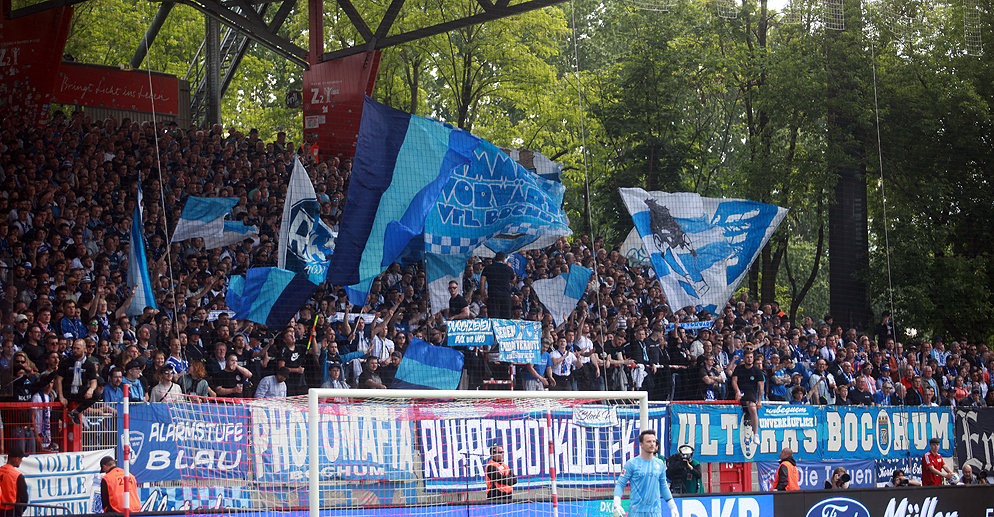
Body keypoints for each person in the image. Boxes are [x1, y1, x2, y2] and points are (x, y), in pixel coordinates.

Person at [613, 430, 679, 517]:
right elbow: (620, 484)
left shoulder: (660, 463)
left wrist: (673, 506)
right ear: (641, 444)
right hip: (636, 512)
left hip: (655, 512)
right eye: (648, 441)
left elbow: (663, 485)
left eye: (654, 441)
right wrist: (616, 504)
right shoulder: (632, 463)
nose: (652, 444)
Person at [731, 349, 764, 445]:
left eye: (751, 357)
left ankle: (756, 434)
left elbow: (761, 387)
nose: (749, 359)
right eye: (747, 357)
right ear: (744, 358)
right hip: (740, 392)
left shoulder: (757, 371)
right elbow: (734, 381)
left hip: (751, 394)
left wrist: (759, 401)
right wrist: (737, 391)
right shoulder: (739, 368)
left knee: (753, 409)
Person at [481, 252, 515, 319]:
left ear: (495, 259)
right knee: (505, 320)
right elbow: (513, 280)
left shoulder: (488, 268)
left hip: (493, 296)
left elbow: (482, 282)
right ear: (504, 259)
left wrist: (483, 295)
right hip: (506, 297)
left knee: (493, 319)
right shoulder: (508, 269)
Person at [0, 446, 28, 517]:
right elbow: (24, 499)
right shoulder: (17, 476)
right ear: (16, 459)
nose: (21, 460)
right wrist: (18, 513)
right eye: (21, 458)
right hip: (11, 511)